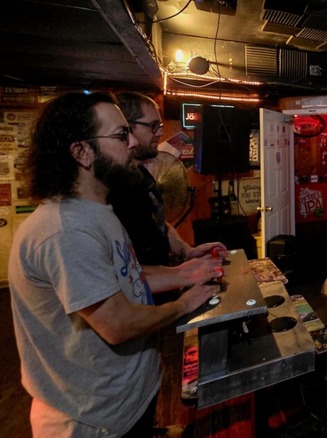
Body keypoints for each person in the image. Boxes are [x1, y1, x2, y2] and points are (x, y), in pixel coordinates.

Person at [8, 91, 219, 437]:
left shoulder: (97, 210)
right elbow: (117, 323)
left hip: (124, 401)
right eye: (121, 135)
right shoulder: (67, 230)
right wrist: (184, 304)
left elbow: (124, 275)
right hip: (94, 420)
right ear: (81, 152)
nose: (134, 141)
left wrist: (183, 272)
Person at [109, 91, 227, 268]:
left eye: (161, 125)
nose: (160, 132)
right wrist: (182, 275)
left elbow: (157, 222)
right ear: (126, 127)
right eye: (153, 125)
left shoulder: (141, 173)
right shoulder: (110, 187)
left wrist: (187, 251)